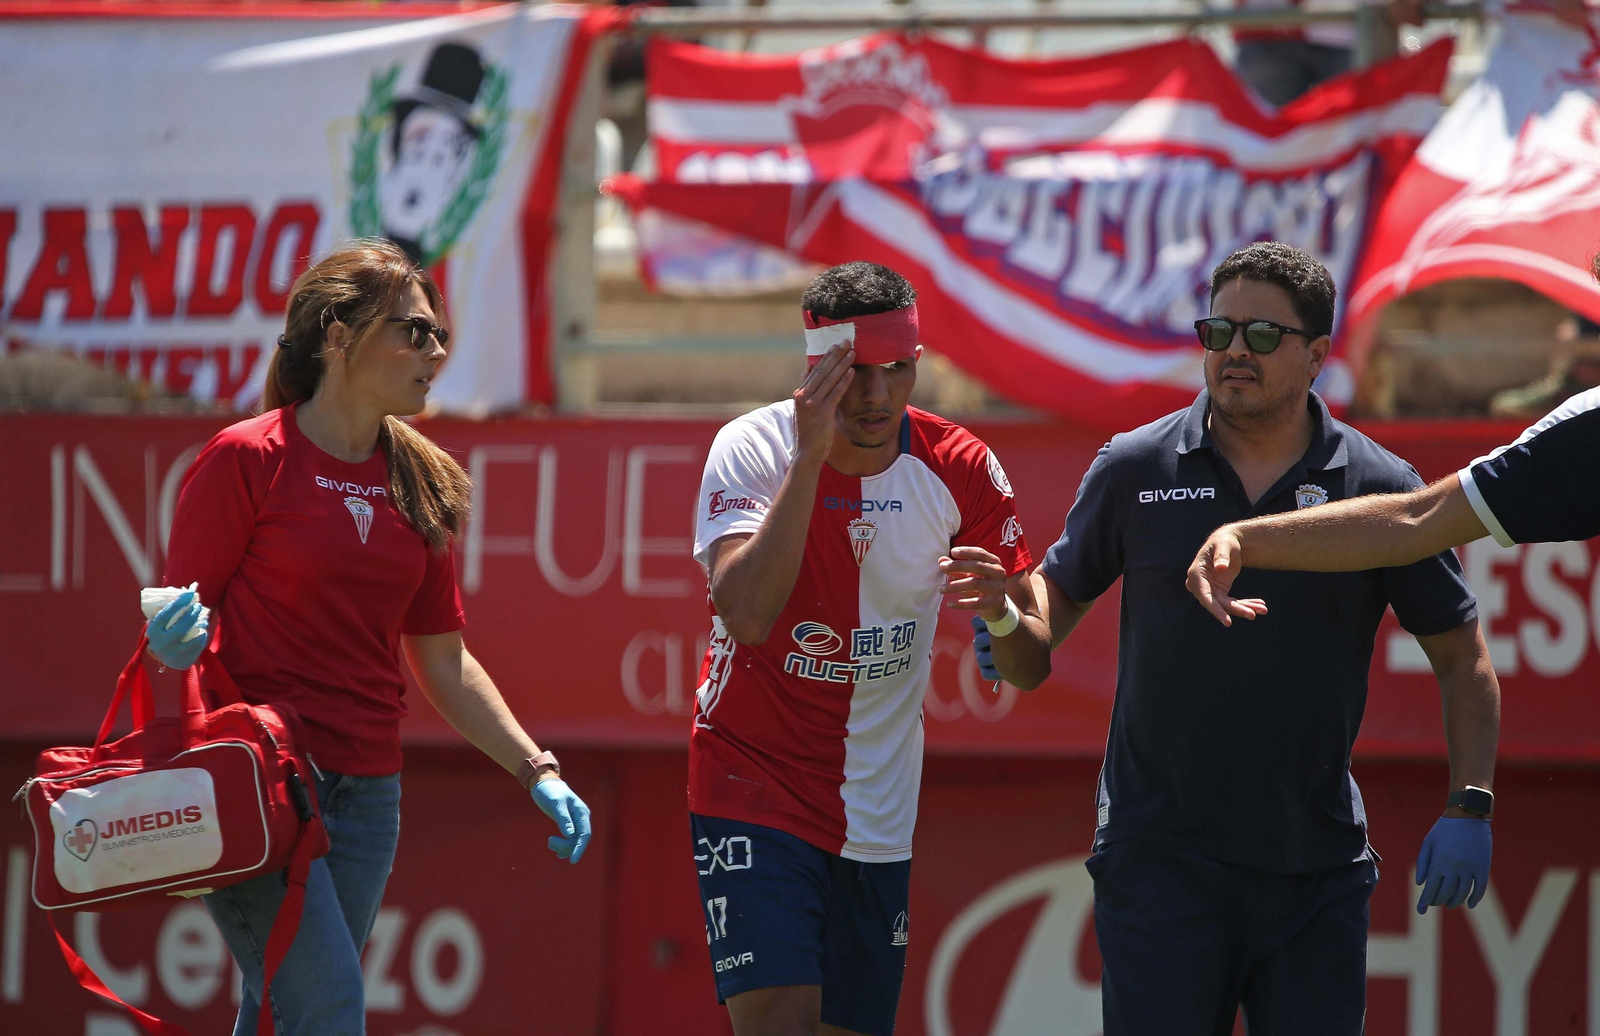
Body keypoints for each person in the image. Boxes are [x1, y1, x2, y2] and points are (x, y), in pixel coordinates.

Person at [962, 241, 1500, 1034]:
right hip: (1158, 863)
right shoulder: (1135, 466)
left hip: (1316, 871)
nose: (1234, 350)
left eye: (1262, 335)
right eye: (1218, 332)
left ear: (1317, 354)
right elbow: (1045, 621)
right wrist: (1013, 618)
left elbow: (1462, 657)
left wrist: (1470, 805)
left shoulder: (1380, 487)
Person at [143, 239, 591, 1036]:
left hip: (369, 797)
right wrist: (172, 647)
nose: (436, 352)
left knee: (286, 1015)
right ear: (340, 337)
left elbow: (444, 661)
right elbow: (176, 630)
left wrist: (536, 769)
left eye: (439, 335)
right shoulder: (246, 458)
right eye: (414, 332)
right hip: (259, 784)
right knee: (327, 1011)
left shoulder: (419, 480)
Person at [688, 261, 1033, 1036]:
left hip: (877, 805)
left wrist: (1006, 620)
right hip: (751, 780)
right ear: (816, 370)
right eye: (855, 373)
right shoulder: (752, 447)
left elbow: (1032, 663)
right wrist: (808, 458)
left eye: (897, 369)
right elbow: (746, 614)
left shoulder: (962, 466)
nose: (877, 396)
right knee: (781, 1023)